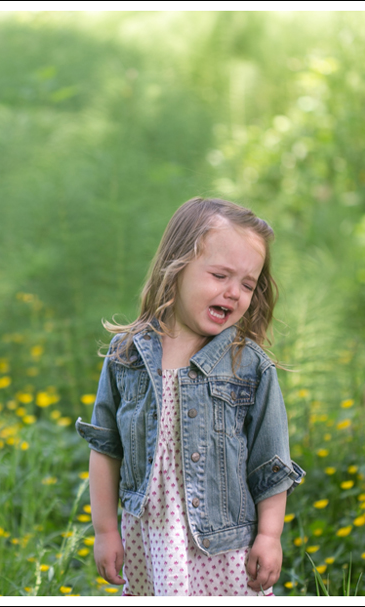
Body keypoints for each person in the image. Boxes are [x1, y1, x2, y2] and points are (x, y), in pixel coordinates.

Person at [76, 197, 304, 596]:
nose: (234, 293)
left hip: (225, 551)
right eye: (220, 275)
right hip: (150, 544)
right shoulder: (127, 357)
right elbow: (106, 448)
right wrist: (105, 530)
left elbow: (271, 464)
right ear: (176, 267)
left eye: (248, 284)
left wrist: (269, 536)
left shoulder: (249, 367)